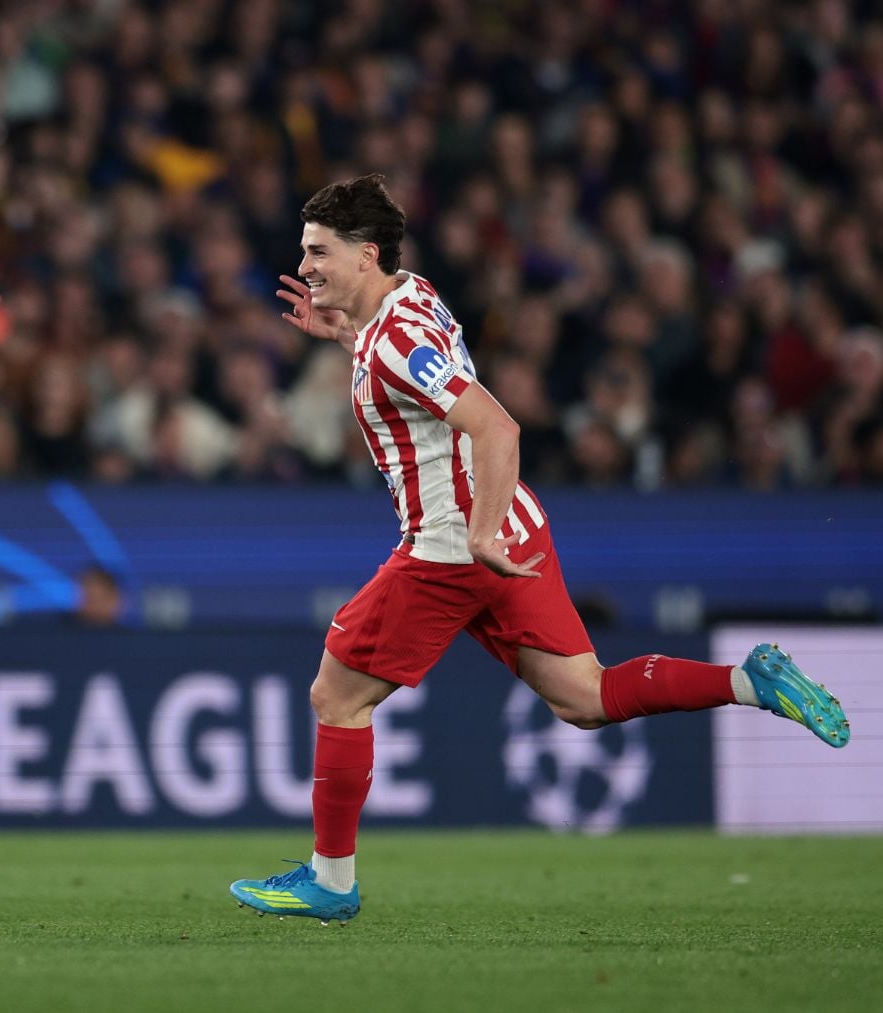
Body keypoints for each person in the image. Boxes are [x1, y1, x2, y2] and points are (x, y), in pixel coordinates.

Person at [226, 174, 851, 925]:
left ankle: (330, 881)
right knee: (585, 697)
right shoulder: (409, 299)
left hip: (454, 547)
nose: (309, 266)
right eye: (305, 251)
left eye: (320, 251)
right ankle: (751, 681)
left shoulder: (394, 340)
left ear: (365, 256)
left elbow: (498, 429)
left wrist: (479, 532)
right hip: (516, 531)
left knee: (336, 695)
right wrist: (344, 334)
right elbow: (417, 371)